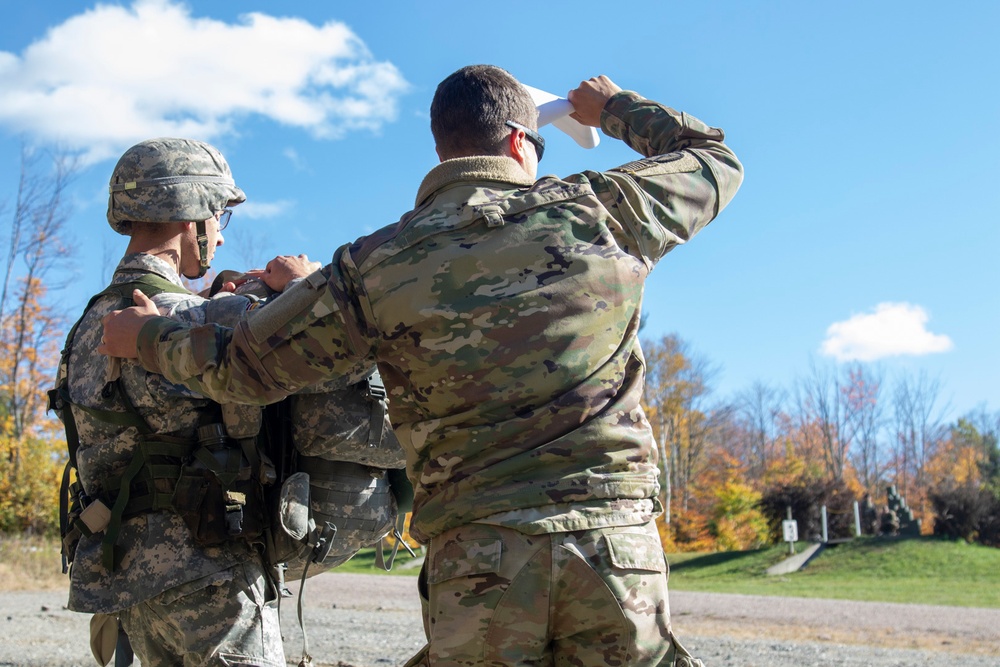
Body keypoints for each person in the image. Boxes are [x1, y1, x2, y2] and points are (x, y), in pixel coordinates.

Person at [101, 67, 744, 665]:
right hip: (614, 545)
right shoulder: (603, 211)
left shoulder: (375, 267)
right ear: (522, 142)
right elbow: (715, 161)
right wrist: (612, 110)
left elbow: (242, 367)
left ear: (442, 151)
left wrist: (147, 336)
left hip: (478, 559)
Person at [54, 137, 317, 667]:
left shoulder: (86, 326)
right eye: (219, 216)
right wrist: (305, 289)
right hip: (211, 570)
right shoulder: (210, 317)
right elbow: (329, 351)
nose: (219, 234)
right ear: (193, 215)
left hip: (129, 575)